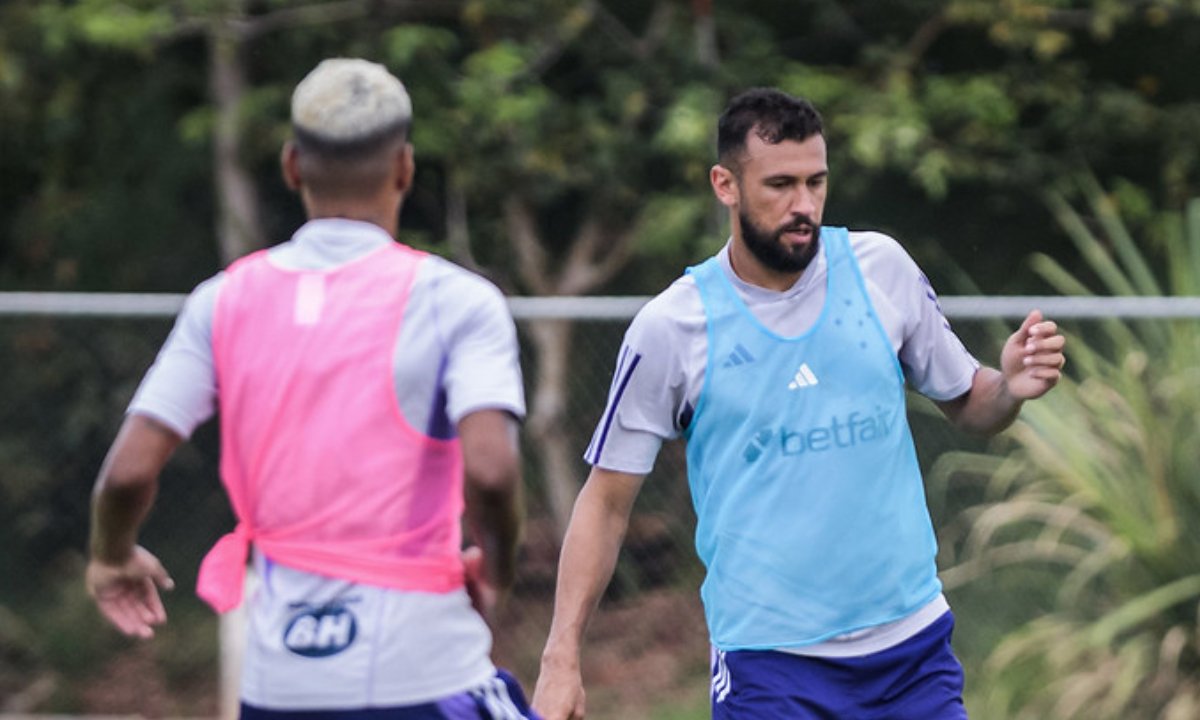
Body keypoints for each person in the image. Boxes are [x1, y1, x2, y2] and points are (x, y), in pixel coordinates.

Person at [531, 88, 1066, 719]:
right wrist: (560, 658)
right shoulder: (671, 327)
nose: (803, 205)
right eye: (780, 184)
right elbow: (606, 502)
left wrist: (1009, 388)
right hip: (771, 669)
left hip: (912, 654)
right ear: (725, 185)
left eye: (816, 182)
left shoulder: (880, 268)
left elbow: (973, 407)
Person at [86, 58, 540, 719]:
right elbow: (493, 474)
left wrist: (110, 554)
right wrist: (495, 572)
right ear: (405, 169)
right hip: (422, 670)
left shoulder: (222, 302)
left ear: (293, 166)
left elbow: (125, 476)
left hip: (279, 685)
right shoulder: (455, 301)